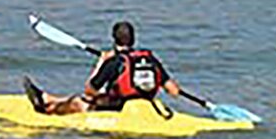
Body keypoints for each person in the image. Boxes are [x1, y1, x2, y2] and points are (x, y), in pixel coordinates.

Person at [23, 20, 181, 115]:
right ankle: (47, 98)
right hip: (144, 104)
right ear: (133, 40)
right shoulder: (151, 59)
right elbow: (173, 91)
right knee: (97, 96)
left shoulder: (115, 62)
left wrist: (101, 62)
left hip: (119, 106)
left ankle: (47, 109)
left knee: (80, 101)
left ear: (114, 39)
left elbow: (90, 91)